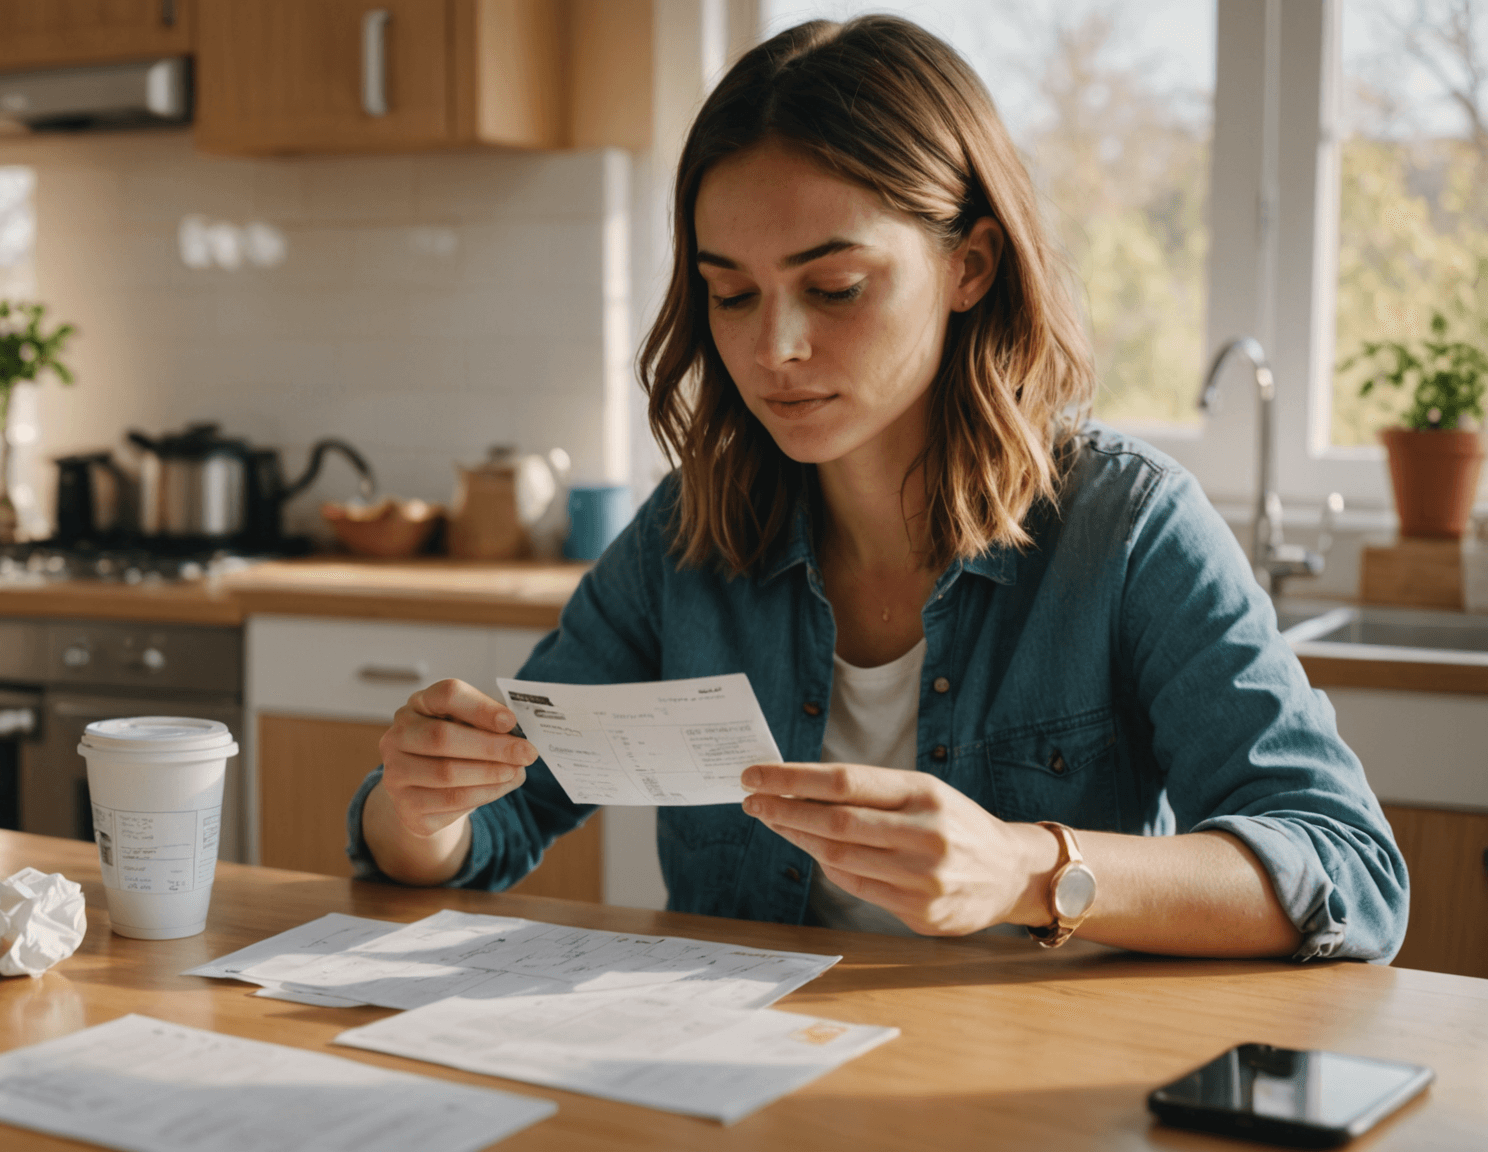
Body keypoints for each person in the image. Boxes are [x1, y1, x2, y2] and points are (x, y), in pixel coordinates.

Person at [346, 15, 1407, 961]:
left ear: (970, 266)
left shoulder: (1128, 529)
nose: (776, 348)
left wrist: (1031, 871)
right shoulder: (688, 533)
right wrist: (422, 806)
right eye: (730, 293)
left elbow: (1348, 869)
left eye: (835, 287)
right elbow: (491, 830)